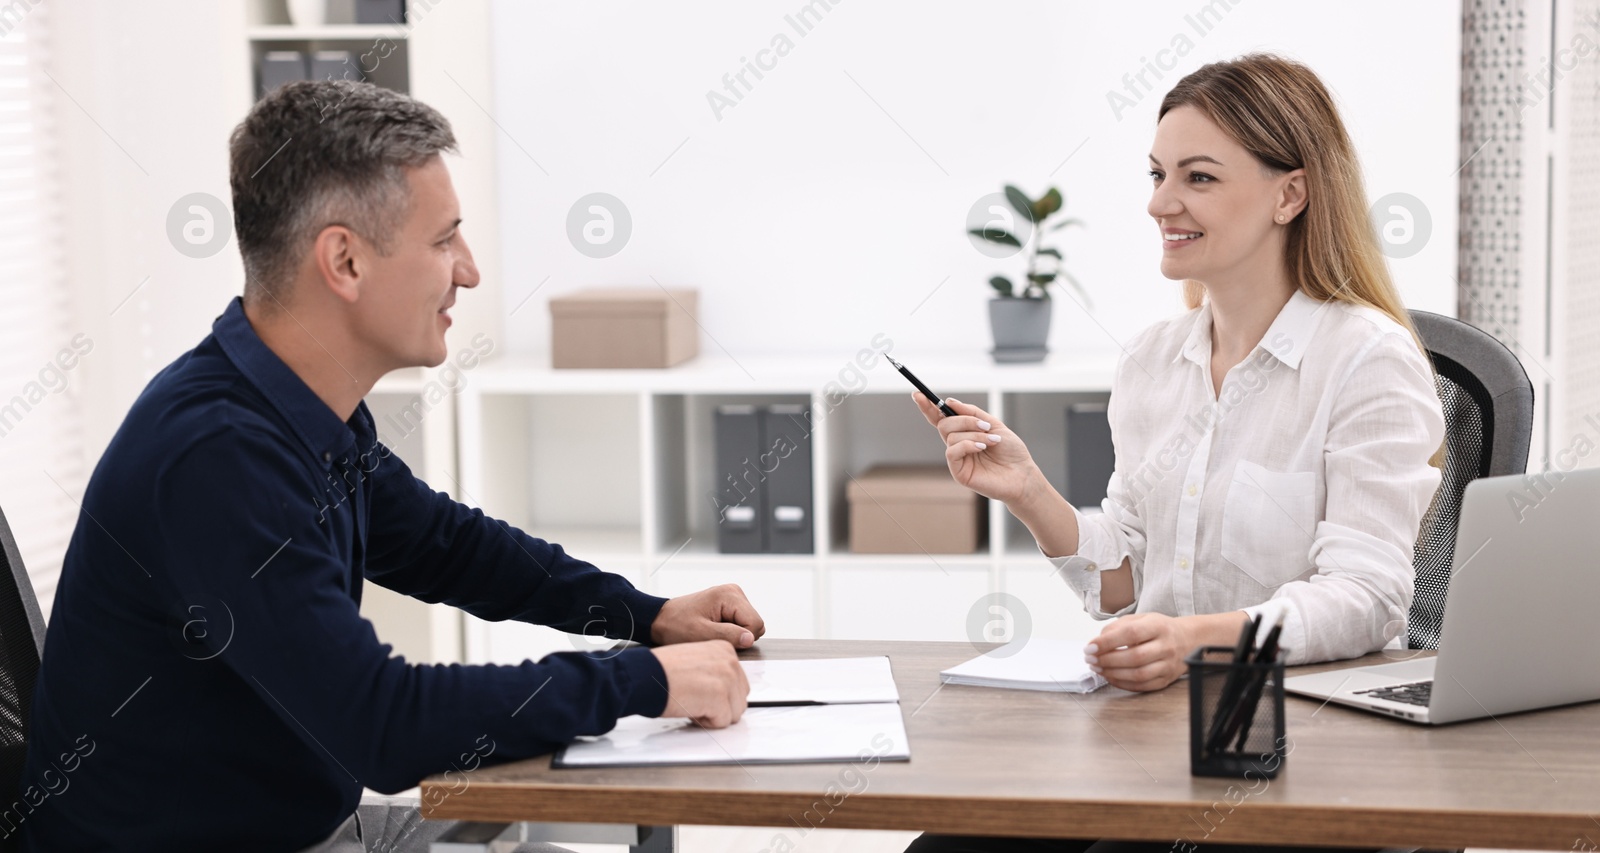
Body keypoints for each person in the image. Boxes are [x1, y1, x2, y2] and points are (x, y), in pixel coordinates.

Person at [18, 80, 760, 853]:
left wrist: (646, 615)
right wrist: (647, 679)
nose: (468, 272)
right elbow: (384, 723)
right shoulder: (216, 460)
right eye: (444, 240)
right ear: (344, 260)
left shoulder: (294, 406)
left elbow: (448, 546)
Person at [905, 53, 1445, 852]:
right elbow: (1123, 586)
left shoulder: (1367, 362)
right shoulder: (1154, 361)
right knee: (951, 844)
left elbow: (1367, 599)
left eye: (1197, 177)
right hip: (1157, 730)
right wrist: (1029, 492)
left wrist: (1192, 639)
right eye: (1158, 174)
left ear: (1289, 193)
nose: (1160, 202)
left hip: (1291, 741)